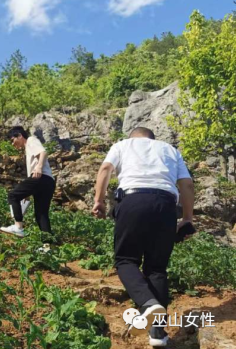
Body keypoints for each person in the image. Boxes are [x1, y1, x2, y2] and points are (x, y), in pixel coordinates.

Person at [92, 127, 194, 347]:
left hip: (133, 201)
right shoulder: (170, 150)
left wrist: (99, 201)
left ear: (133, 137)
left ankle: (147, 304)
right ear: (153, 139)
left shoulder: (122, 145)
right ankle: (158, 334)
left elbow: (105, 169)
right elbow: (186, 184)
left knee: (125, 260)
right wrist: (187, 218)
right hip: (166, 205)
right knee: (156, 269)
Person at [0, 126, 56, 239]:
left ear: (20, 136)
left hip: (40, 177)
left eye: (12, 140)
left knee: (13, 195)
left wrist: (39, 167)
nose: (12, 144)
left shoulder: (31, 140)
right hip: (48, 181)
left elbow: (43, 152)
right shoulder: (28, 147)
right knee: (41, 214)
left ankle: (18, 227)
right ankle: (48, 245)